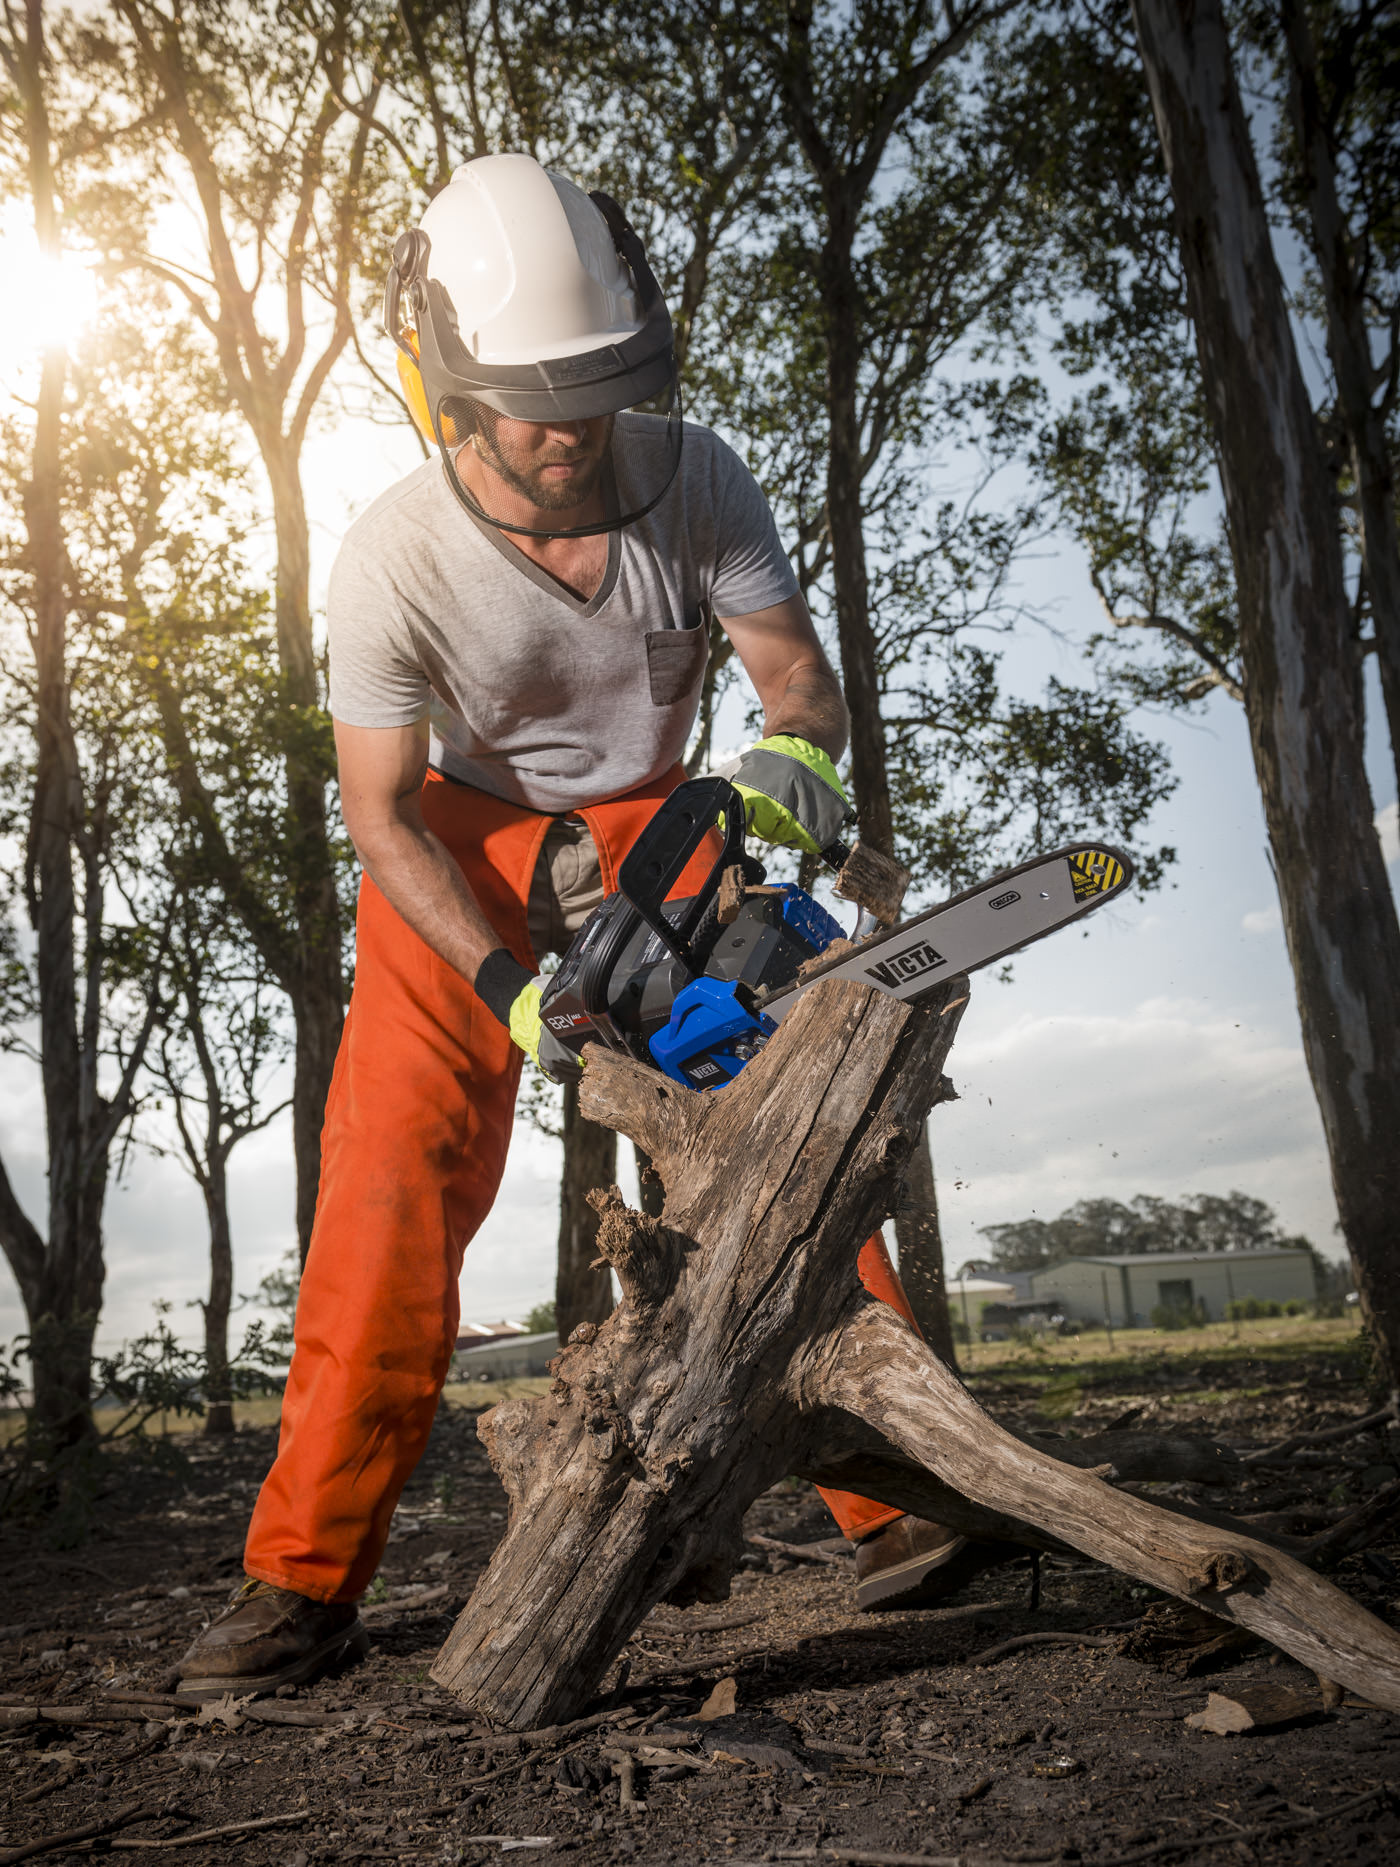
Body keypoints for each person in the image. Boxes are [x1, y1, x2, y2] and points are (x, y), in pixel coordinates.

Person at [176, 154, 1006, 1702]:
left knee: (784, 1139)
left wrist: (797, 760)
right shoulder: (392, 559)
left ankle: (903, 1501)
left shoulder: (696, 476)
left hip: (660, 822)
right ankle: (301, 1583)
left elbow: (793, 671)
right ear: (448, 384)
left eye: (605, 390)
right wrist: (502, 984)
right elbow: (381, 812)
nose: (576, 432)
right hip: (459, 852)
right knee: (388, 1199)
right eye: (541, 402)